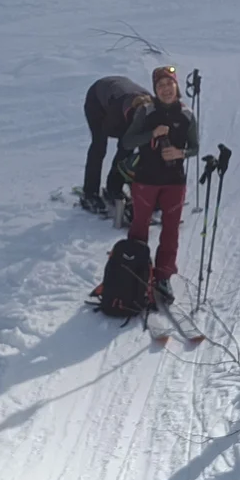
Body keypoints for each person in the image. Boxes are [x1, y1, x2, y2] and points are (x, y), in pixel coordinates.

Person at [119, 64, 198, 305]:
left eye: (169, 84)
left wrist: (181, 153)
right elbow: (127, 141)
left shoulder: (186, 115)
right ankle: (136, 271)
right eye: (160, 85)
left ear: (177, 86)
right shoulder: (146, 111)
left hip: (174, 182)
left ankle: (163, 276)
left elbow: (195, 147)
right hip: (145, 180)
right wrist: (151, 134)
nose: (165, 89)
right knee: (139, 226)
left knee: (171, 229)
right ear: (155, 89)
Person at [80, 75, 148, 217]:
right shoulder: (117, 112)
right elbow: (108, 130)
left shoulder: (152, 107)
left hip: (120, 93)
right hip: (97, 100)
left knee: (127, 149)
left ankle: (114, 187)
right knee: (99, 146)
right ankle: (89, 194)